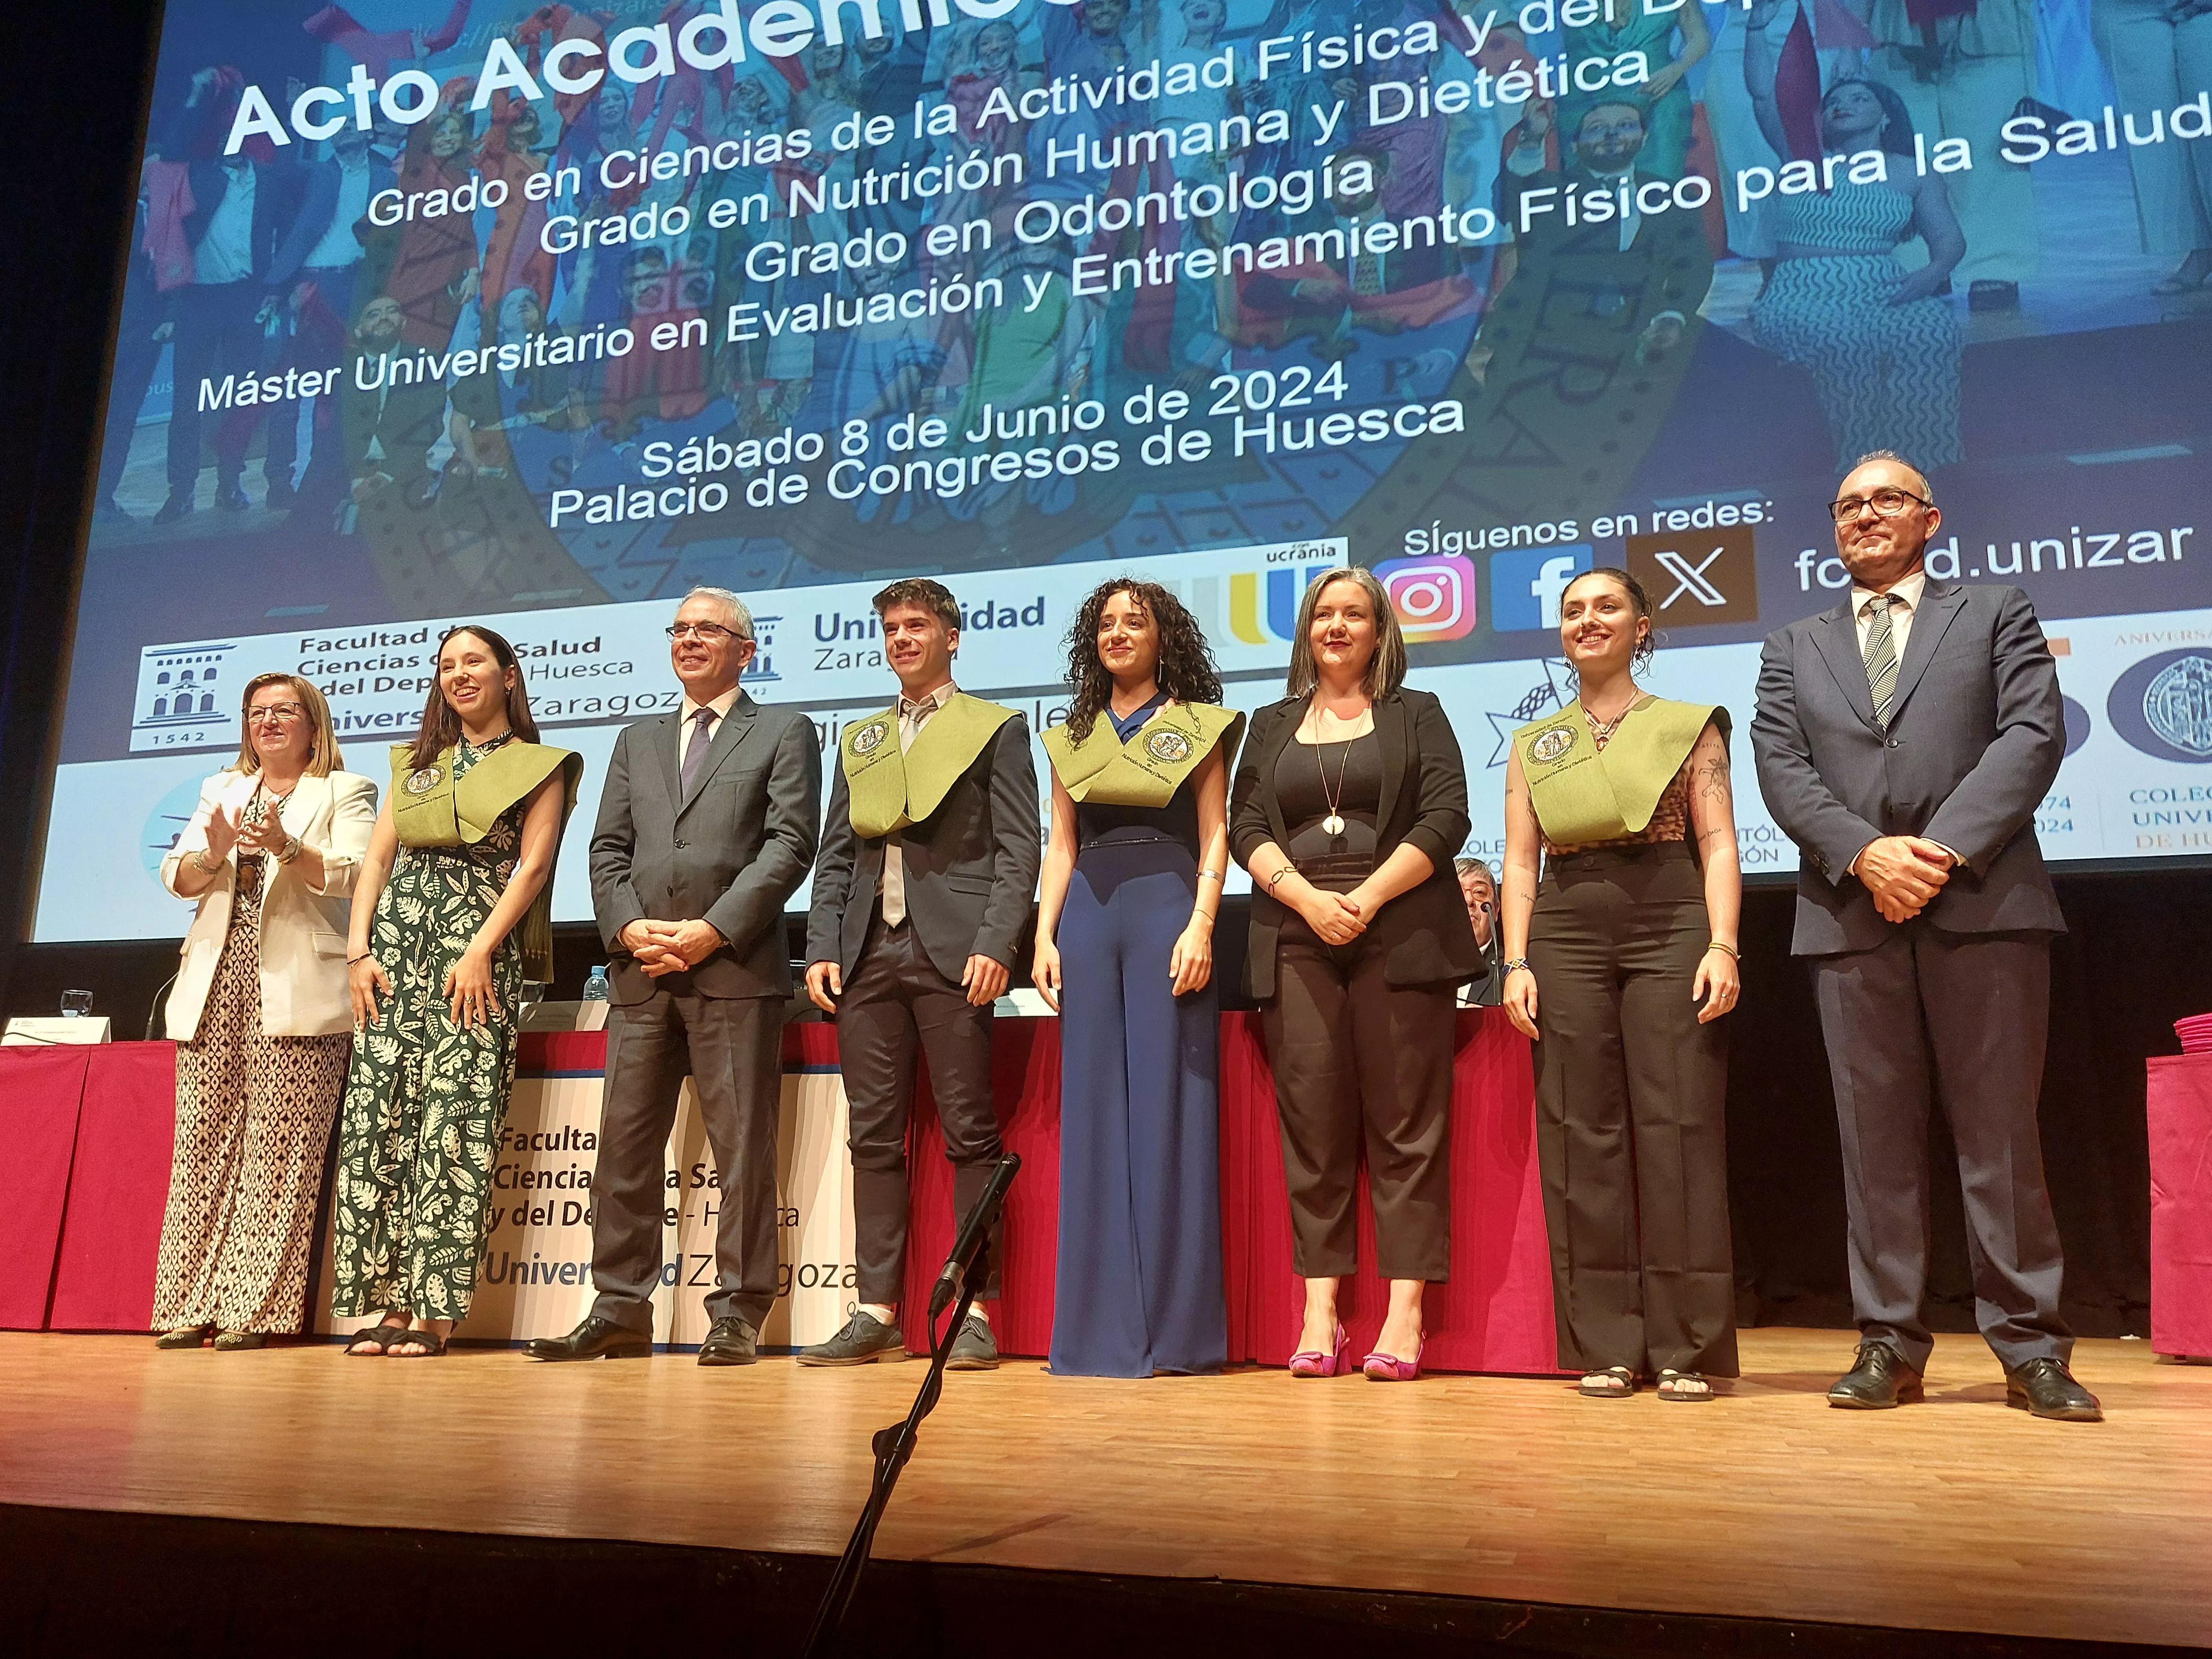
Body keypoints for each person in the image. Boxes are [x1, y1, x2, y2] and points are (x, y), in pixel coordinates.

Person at [1750, 451, 2101, 1422]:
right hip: (1849, 915)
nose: (1864, 515)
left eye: (1885, 500)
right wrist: (1867, 857)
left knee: (1999, 1138)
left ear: (1929, 518)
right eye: (1848, 505)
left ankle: (2028, 1349)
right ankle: (1887, 1344)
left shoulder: (1993, 611)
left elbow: (2032, 736)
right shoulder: (1791, 644)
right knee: (1876, 1148)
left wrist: (1934, 853)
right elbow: (1781, 770)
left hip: (1982, 905)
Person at [528, 589, 821, 1366]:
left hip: (731, 970)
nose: (689, 640)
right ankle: (619, 1306)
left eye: (708, 630)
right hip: (640, 976)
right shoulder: (636, 738)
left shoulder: (783, 732)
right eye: (680, 628)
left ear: (744, 650)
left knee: (741, 1152)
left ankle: (738, 1311)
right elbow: (605, 851)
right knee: (623, 1152)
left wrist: (710, 930)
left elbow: (789, 846)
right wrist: (627, 928)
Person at [1229, 567, 1480, 1382]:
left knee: (1405, 1126)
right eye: (1322, 613)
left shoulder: (1418, 712)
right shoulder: (1267, 725)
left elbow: (1447, 813)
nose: (1336, 625)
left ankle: (1402, 1316)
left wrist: (1364, 898)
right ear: (1305, 630)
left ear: (1379, 630)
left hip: (1398, 929)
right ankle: (1319, 1312)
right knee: (1313, 1126)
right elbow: (1243, 825)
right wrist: (1307, 899)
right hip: (1296, 931)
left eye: (1354, 613)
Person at [1499, 568, 1743, 1401]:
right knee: (1579, 1132)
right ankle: (1604, 1342)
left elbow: (1716, 842)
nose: (1586, 620)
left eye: (1605, 607)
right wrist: (1515, 960)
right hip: (1564, 928)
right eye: (1572, 611)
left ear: (1641, 626)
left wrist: (1723, 942)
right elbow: (1517, 860)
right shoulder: (1537, 742)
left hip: (1670, 917)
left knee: (1676, 1126)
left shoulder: (1686, 727)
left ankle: (1684, 1345)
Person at [802, 580, 1042, 1370]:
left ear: (952, 637)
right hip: (868, 953)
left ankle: (974, 1309)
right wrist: (822, 943)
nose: (901, 638)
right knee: (872, 1134)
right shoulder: (863, 737)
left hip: (955, 952)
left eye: (917, 626)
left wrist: (997, 941)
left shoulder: (993, 727)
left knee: (969, 1130)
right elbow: (837, 853)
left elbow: (1017, 849)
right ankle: (874, 1308)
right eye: (891, 628)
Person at [331, 626, 583, 1357]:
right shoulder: (416, 765)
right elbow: (378, 859)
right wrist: (359, 949)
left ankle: (434, 1310)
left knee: (454, 1126)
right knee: (383, 1126)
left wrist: (480, 950)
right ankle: (388, 1304)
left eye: (473, 661)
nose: (458, 674)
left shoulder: (541, 765)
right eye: (446, 665)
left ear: (510, 674)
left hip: (473, 961)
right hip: (392, 961)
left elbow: (532, 869)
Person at [1033, 579, 1241, 1377]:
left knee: (1167, 1114)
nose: (1119, 632)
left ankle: (1175, 1332)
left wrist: (1200, 922)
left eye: (1135, 620)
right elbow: (1059, 847)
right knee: (1092, 1120)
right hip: (1086, 918)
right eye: (1106, 623)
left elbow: (1216, 830)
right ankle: (1091, 1333)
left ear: (1165, 636)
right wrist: (1042, 935)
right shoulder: (1070, 734)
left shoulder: (1195, 726)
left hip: (1168, 912)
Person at [152, 676, 376, 1349]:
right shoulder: (220, 790)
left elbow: (360, 872)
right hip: (216, 979)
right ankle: (189, 1304)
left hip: (299, 984)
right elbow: (178, 878)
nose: (268, 721)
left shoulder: (344, 790)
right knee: (200, 1144)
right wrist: (213, 851)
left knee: (280, 1153)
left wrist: (284, 844)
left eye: (284, 711)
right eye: (257, 713)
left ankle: (253, 1310)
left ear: (313, 724)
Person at [1742, 62, 1966, 471]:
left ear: (1885, 116)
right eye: (1833, 103)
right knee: (1848, 344)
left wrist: (1930, 277)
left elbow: (1950, 241)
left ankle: (1925, 463)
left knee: (1930, 333)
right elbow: (1762, 96)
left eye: (1860, 99)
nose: (1843, 106)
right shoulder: (1800, 159)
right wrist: (1757, 23)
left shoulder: (1911, 172)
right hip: (1801, 293)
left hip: (1882, 286)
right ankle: (1863, 467)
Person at [1454, 857, 1503, 1007]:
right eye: (1458, 892)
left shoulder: (1511, 972)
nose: (1469, 900)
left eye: (1480, 892)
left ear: (1495, 910)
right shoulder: (1419, 968)